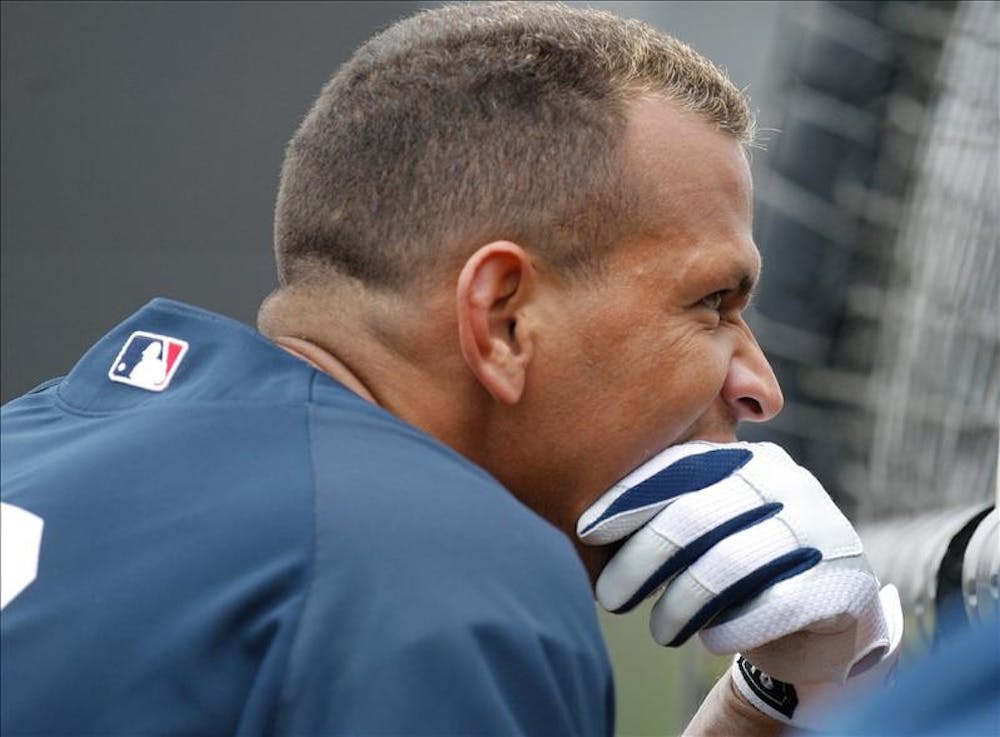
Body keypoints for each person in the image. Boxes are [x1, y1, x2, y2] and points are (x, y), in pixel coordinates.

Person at [1, 3, 884, 735]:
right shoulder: (439, 578)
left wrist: (767, 699)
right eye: (714, 304)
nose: (759, 386)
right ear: (502, 318)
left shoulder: (37, 436)